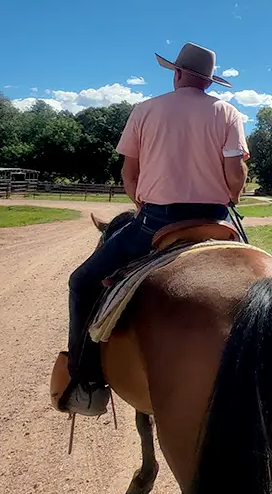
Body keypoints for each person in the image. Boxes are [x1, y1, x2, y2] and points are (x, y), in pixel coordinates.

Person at [57, 42, 249, 416]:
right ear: (209, 82)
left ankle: (86, 382)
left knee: (81, 282)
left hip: (156, 222)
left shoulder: (145, 110)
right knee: (262, 279)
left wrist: (140, 201)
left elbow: (130, 174)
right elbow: (235, 173)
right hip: (216, 219)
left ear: (176, 74)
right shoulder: (228, 113)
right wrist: (233, 195)